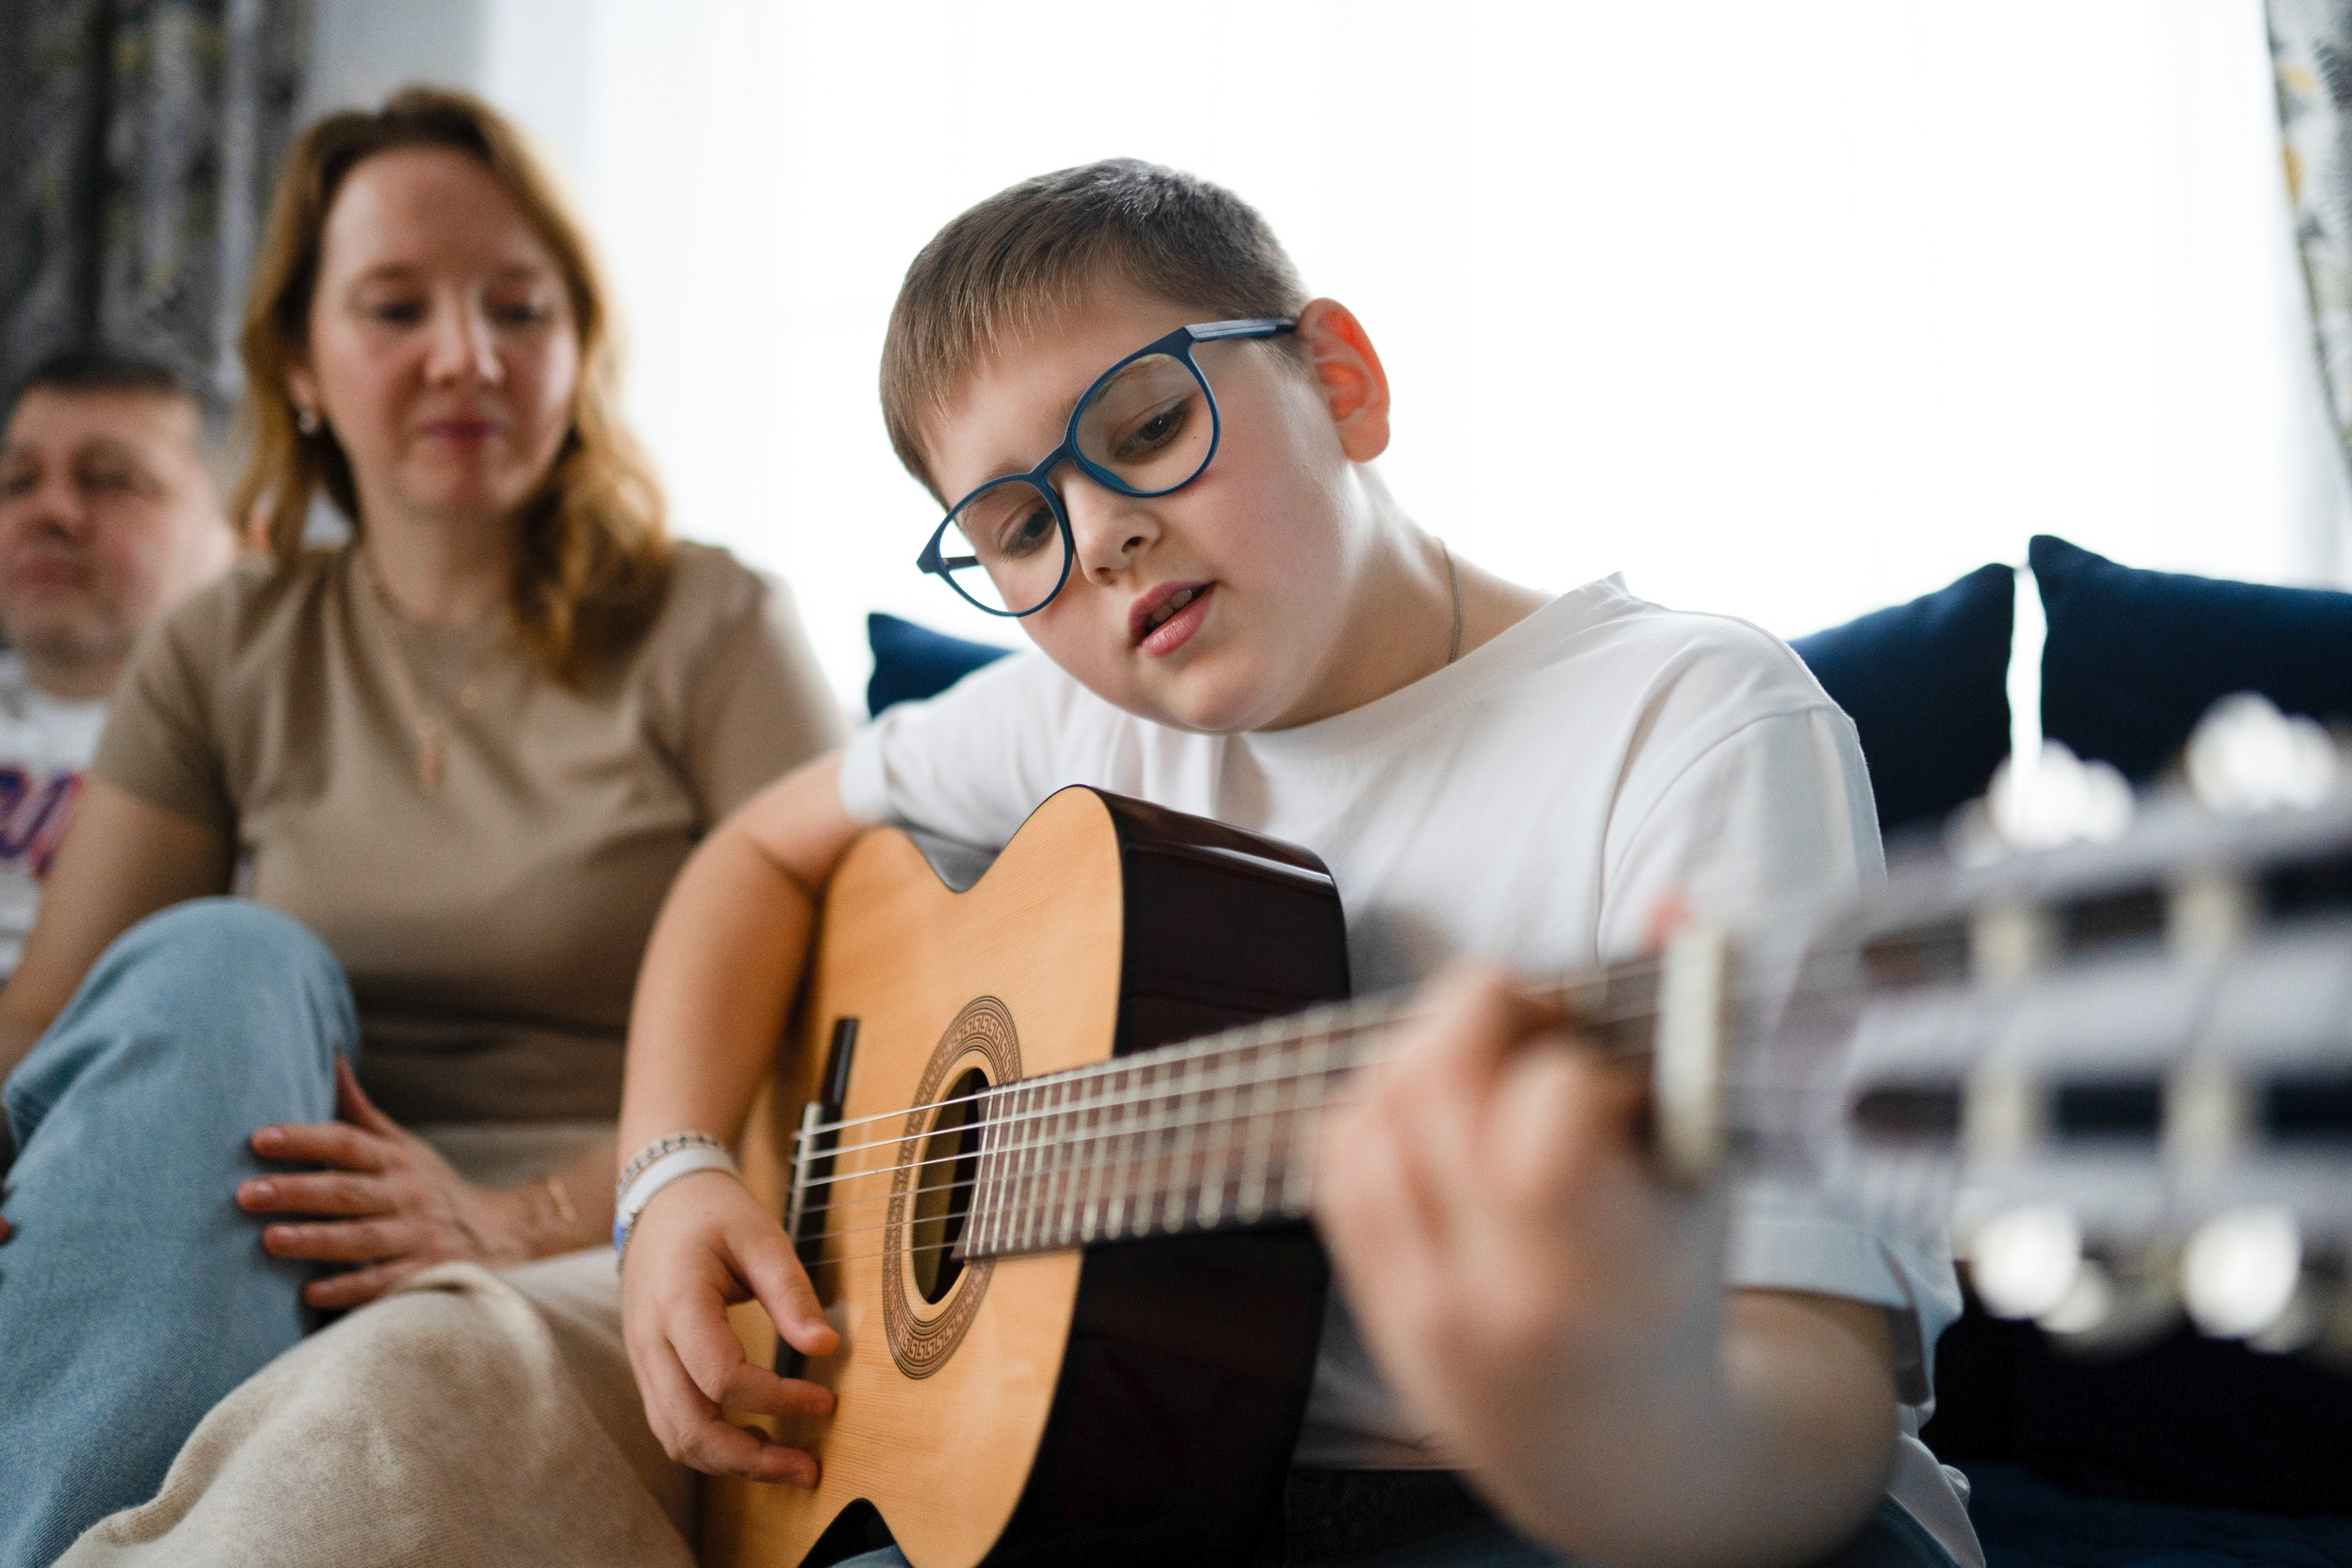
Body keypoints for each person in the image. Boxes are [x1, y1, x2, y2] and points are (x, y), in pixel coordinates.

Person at [615, 160, 1980, 1568]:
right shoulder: (1083, 715)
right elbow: (756, 854)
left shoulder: (1687, 719)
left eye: (1143, 428)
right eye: (1017, 528)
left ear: (1341, 380)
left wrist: (1589, 1398)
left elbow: (1818, 1401)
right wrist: (671, 1173)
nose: (1095, 539)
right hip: (1167, 1489)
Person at [0, 87, 842, 1565]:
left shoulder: (714, 626)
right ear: (303, 365)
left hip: (612, 1234)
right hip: (281, 1220)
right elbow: (63, 1011)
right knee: (216, 955)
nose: (467, 354)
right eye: (396, 307)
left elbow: (850, 1049)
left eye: (517, 307)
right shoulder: (224, 641)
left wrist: (517, 1215)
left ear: (578, 347)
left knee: (381, 1406)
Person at [0, 349, 236, 977]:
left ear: (245, 534)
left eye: (108, 479)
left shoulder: (269, 761)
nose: (48, 511)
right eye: (17, 482)